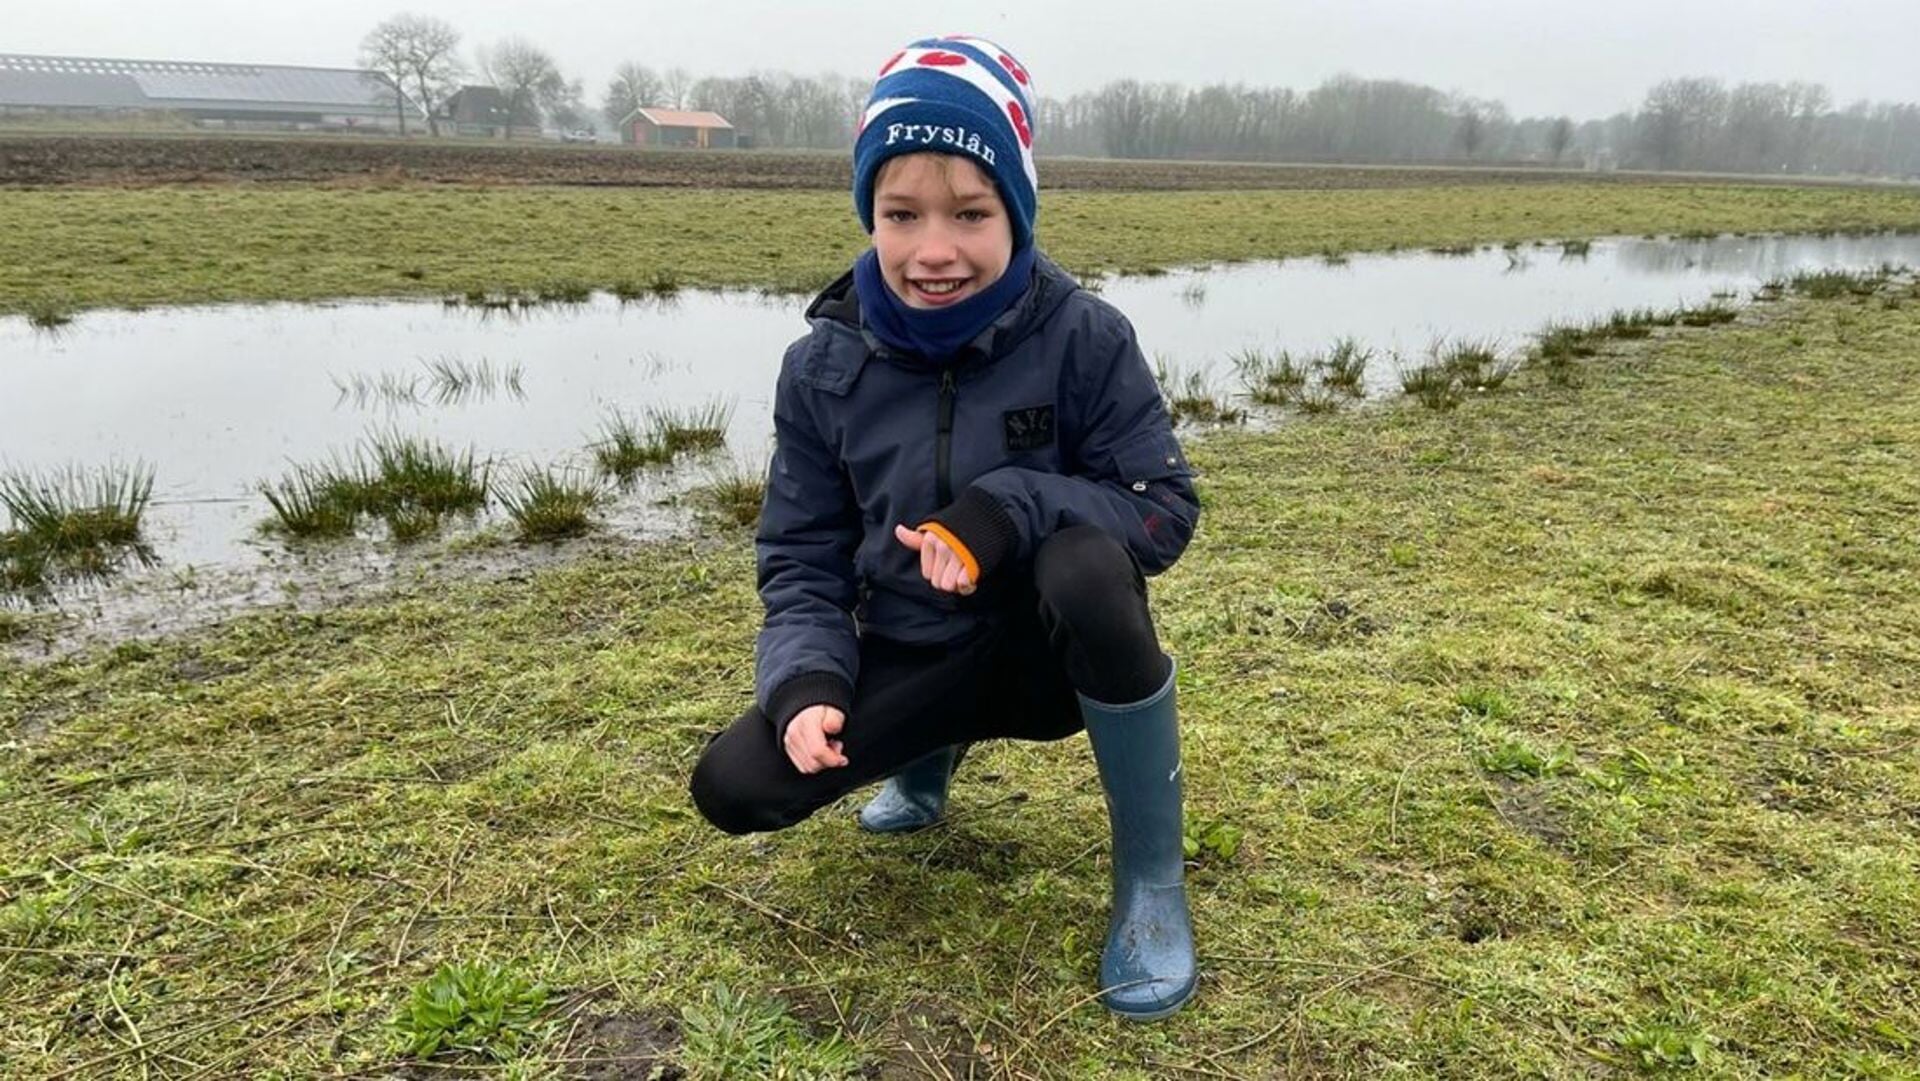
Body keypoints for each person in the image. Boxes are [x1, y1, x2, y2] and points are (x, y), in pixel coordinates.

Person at [687, 35, 1201, 1020]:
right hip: (912, 648)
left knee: (1089, 568)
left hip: (1045, 659)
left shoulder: (1086, 336)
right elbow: (799, 555)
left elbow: (1161, 509)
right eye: (901, 214)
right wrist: (805, 684)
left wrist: (1010, 506)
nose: (934, 249)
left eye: (971, 213)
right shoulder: (820, 367)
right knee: (735, 785)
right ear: (867, 214)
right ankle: (925, 759)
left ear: (1017, 208)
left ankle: (1151, 881)